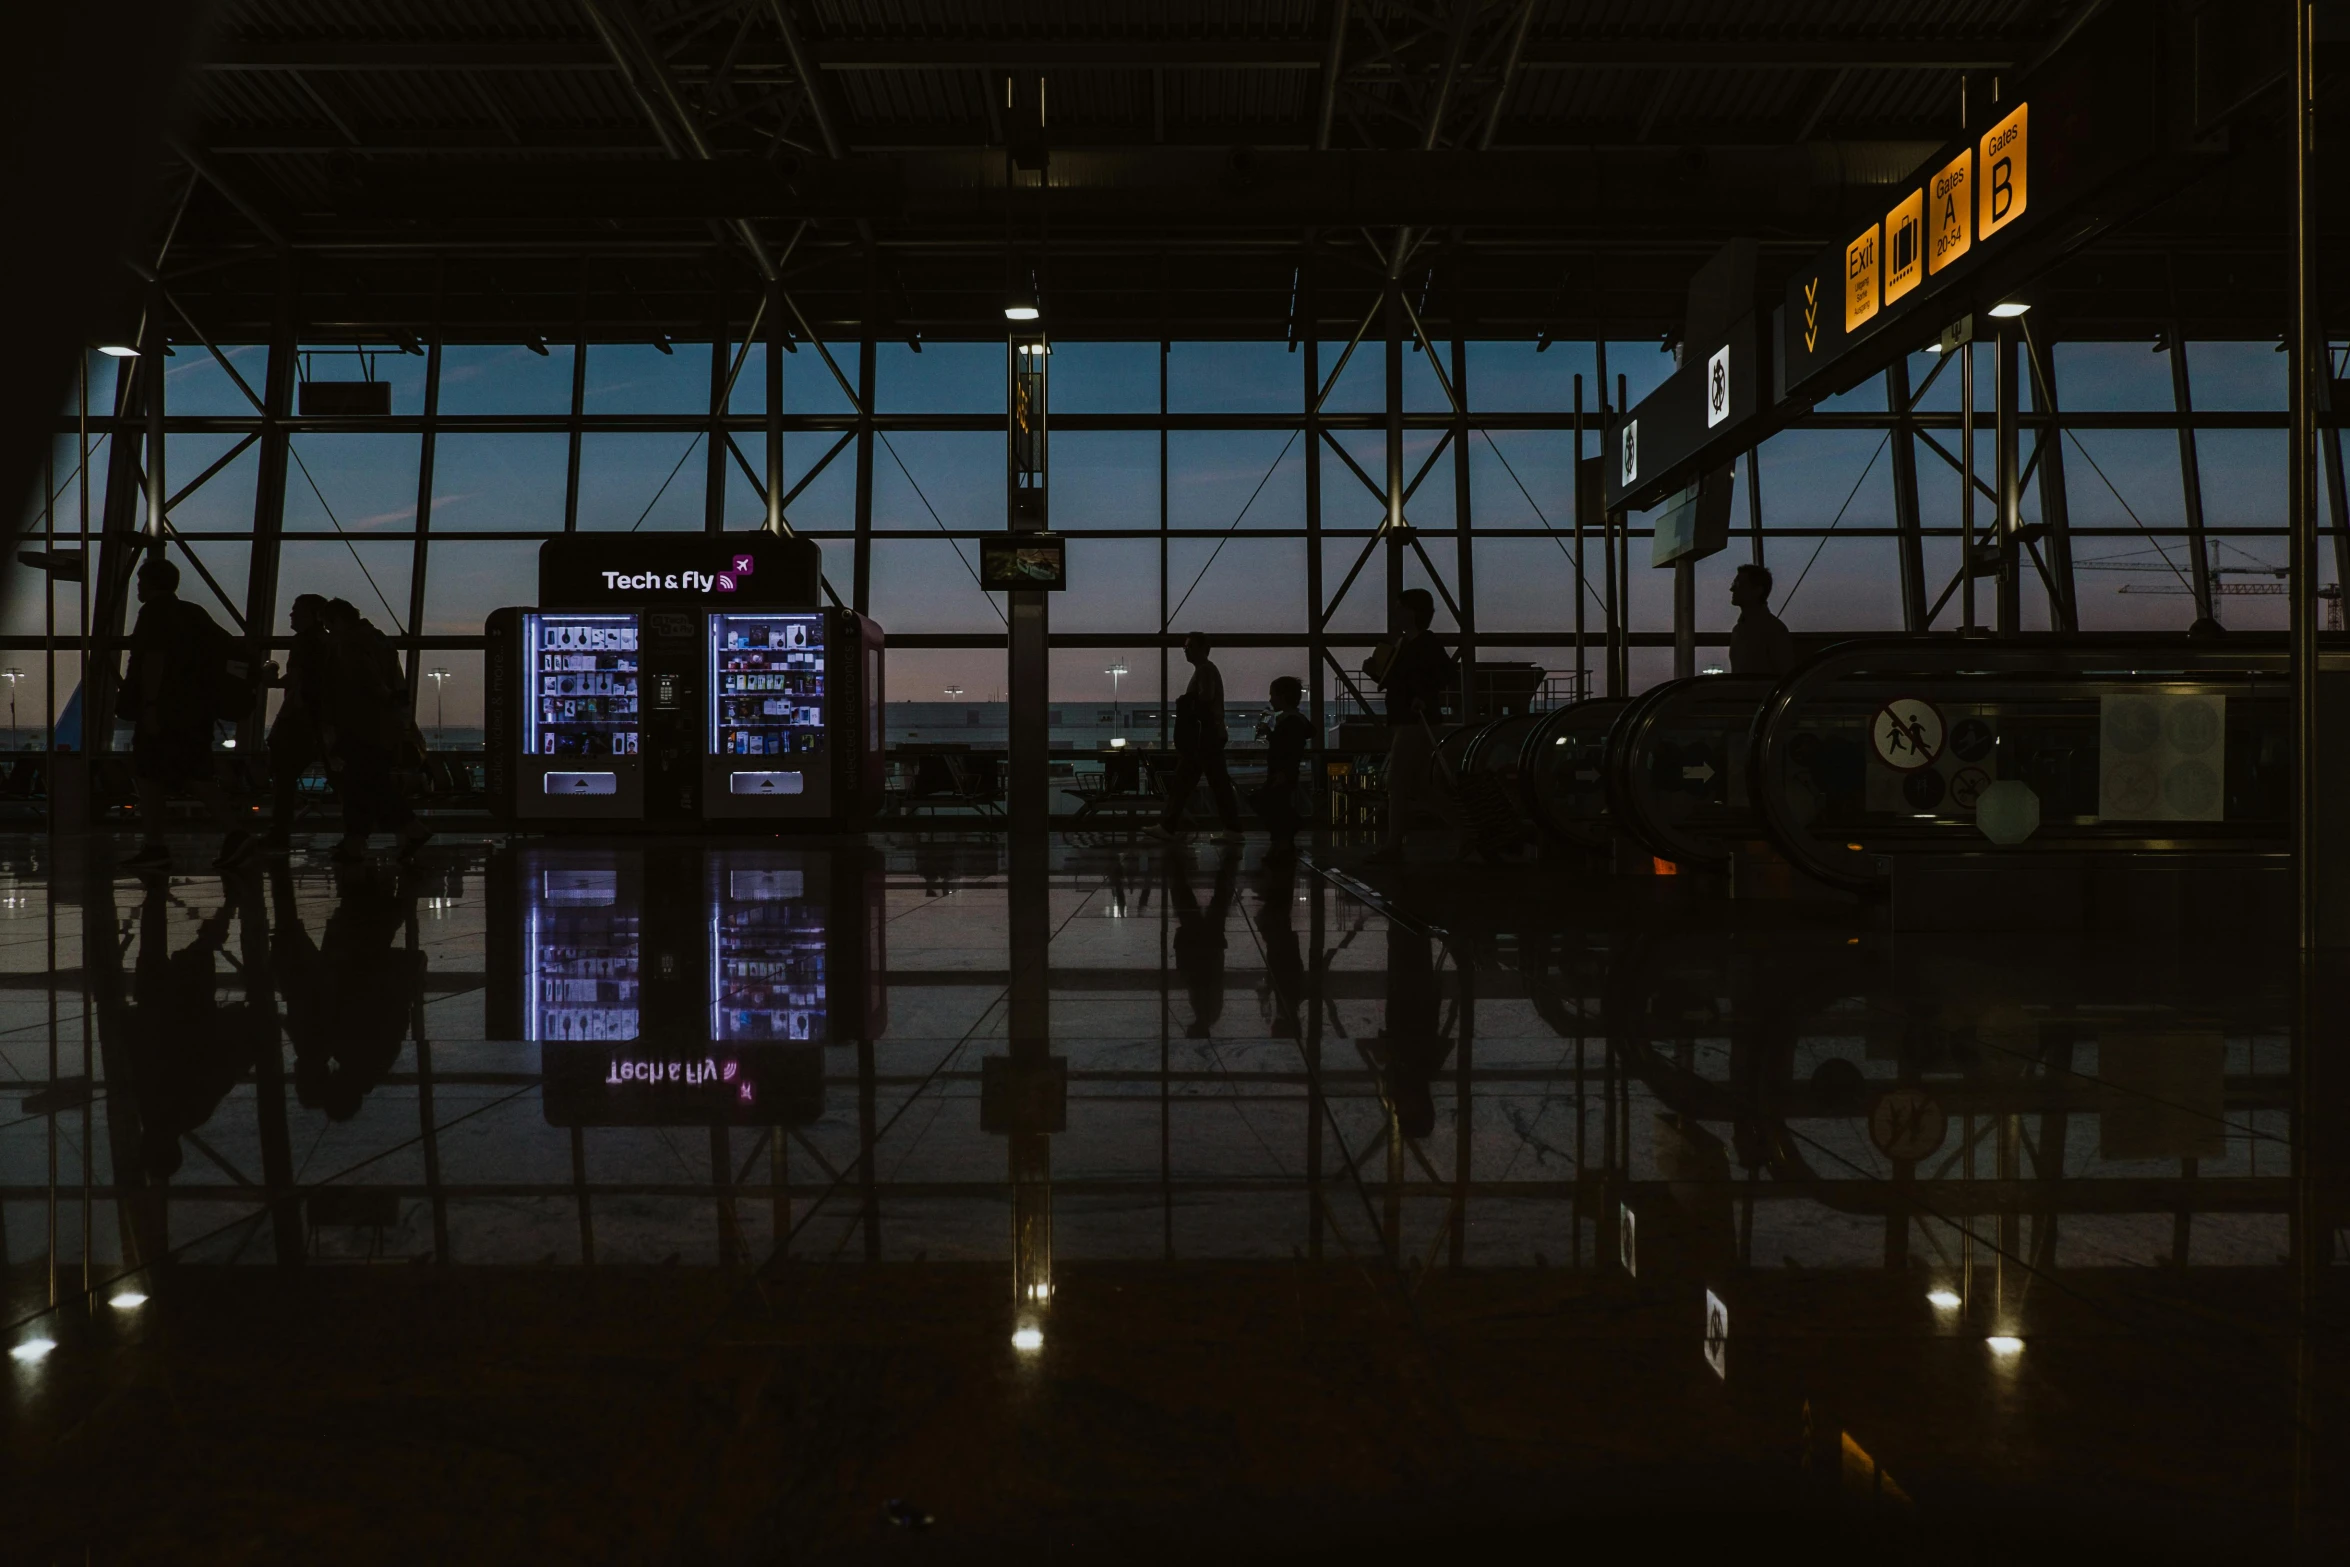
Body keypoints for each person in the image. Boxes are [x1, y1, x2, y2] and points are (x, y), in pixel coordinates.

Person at [119, 556, 254, 874]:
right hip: (195, 713)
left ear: (150, 583)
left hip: (166, 713)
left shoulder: (154, 613)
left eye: (140, 582)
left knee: (148, 775)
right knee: (197, 774)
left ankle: (156, 846)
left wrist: (150, 706)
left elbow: (154, 660)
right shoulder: (194, 614)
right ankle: (235, 834)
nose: (138, 587)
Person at [320, 598, 432, 863]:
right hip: (384, 727)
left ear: (337, 621)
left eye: (328, 625)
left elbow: (363, 683)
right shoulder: (380, 640)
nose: (328, 632)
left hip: (361, 725)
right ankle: (356, 842)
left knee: (366, 783)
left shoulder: (350, 645)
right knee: (364, 783)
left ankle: (410, 829)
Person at [1362, 589, 1456, 866]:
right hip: (1413, 719)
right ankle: (1465, 827)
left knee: (1398, 784)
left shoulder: (1420, 644)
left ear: (1412, 612)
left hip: (1412, 721)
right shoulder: (1415, 643)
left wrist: (1421, 697)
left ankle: (1393, 845)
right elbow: (1434, 676)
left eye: (1400, 608)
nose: (1395, 614)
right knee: (1418, 786)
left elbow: (1440, 676)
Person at [1150, 630, 1244, 842]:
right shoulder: (1206, 670)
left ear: (1203, 649)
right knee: (1210, 783)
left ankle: (1168, 826)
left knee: (1186, 783)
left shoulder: (1204, 671)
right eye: (1185, 647)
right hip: (1209, 737)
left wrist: (1186, 702)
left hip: (1204, 738)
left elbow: (1205, 698)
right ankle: (1232, 828)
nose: (1186, 651)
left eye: (1189, 647)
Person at [263, 594, 331, 852]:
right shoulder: (327, 642)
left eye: (296, 611)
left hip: (298, 719)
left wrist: (271, 679)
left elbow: (296, 680)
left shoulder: (304, 642)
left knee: (282, 774)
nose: (290, 615)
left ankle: (279, 832)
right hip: (321, 718)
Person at [1250, 675, 1311, 850]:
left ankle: (1286, 833)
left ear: (1282, 697)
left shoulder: (1289, 723)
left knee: (1272, 804)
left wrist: (1269, 735)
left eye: (1272, 695)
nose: (1270, 699)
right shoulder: (1296, 721)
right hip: (1286, 772)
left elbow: (1284, 748)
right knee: (1278, 804)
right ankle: (1284, 839)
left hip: (1281, 772)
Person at [1728, 562, 1797, 676]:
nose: (1732, 588)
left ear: (1757, 590)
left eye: (1738, 584)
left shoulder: (1772, 630)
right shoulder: (1774, 628)